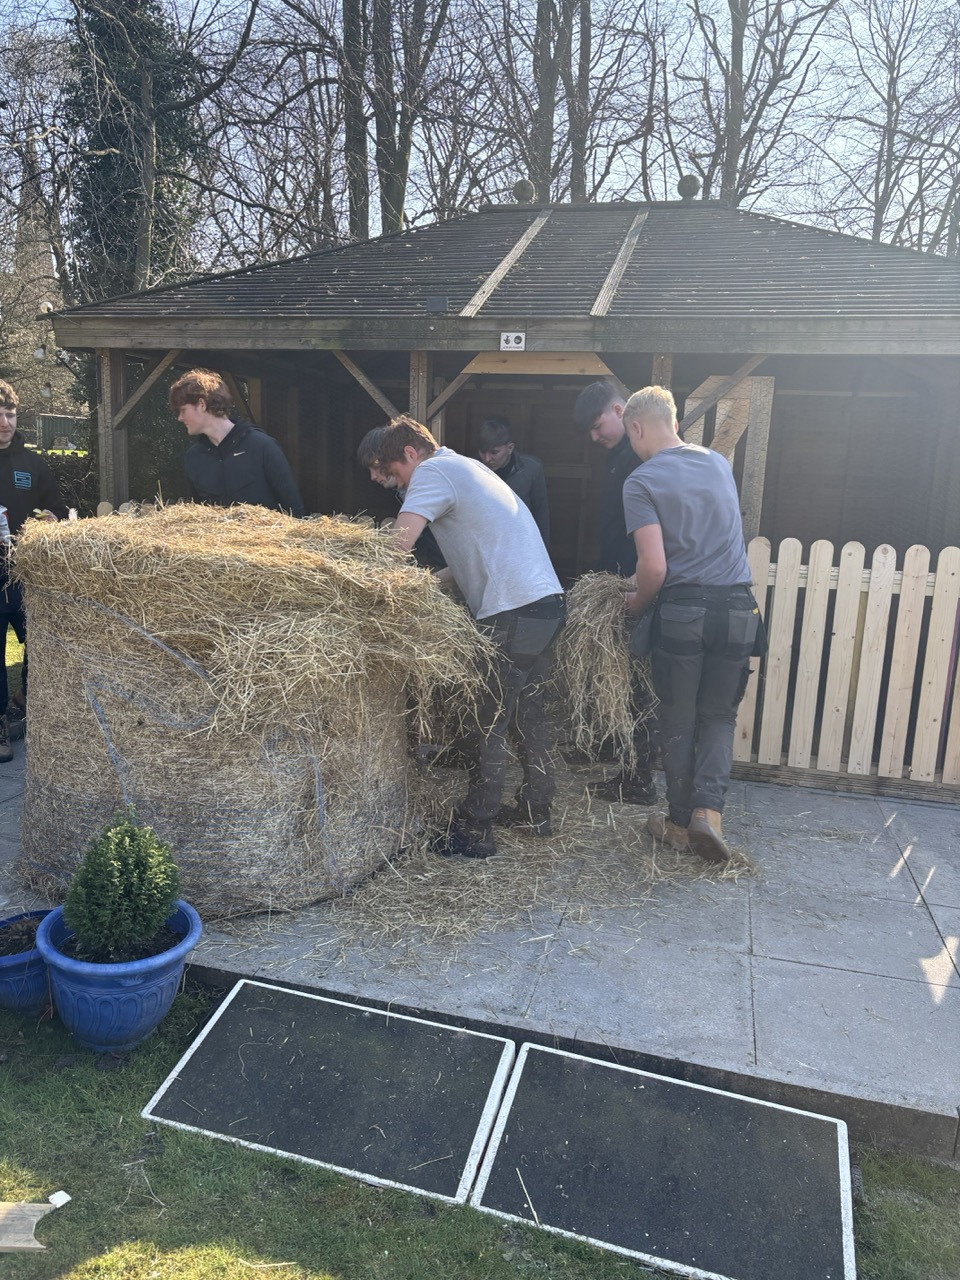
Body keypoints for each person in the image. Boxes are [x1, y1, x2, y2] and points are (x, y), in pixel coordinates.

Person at [370, 415, 565, 859]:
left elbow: (395, 550)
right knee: (525, 715)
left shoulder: (433, 472)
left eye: (395, 473)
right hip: (546, 605)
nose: (396, 485)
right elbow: (470, 558)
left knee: (487, 719)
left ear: (410, 454)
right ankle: (538, 811)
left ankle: (476, 828)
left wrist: (363, 584)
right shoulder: (467, 470)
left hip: (512, 612)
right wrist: (427, 588)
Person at [621, 385, 760, 863]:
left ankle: (680, 824)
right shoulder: (717, 463)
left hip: (684, 611)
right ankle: (710, 815)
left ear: (637, 427)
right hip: (739, 608)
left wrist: (633, 606)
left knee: (678, 717)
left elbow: (654, 569)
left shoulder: (641, 481)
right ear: (675, 421)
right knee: (719, 716)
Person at [573, 379, 658, 804]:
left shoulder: (641, 459)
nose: (594, 437)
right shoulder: (620, 457)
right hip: (620, 580)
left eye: (596, 425)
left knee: (638, 678)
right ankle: (615, 750)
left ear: (621, 411)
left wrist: (635, 585)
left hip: (636, 584)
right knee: (618, 674)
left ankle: (638, 777)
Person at [0, 380, 67, 763]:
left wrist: (52, 518)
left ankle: (26, 705)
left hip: (29, 577)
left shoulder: (33, 463)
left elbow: (54, 508)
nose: (5, 423)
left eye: (9, 414)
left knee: (40, 648)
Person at [169, 369, 305, 516]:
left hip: (267, 537)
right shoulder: (193, 458)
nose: (180, 418)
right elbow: (195, 517)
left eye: (183, 410)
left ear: (202, 404)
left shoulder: (262, 446)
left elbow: (295, 510)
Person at [356, 425, 446, 571]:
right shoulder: (448, 465)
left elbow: (396, 549)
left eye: (378, 466)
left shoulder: (429, 475)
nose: (373, 476)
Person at [476, 416, 550, 543]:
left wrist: (542, 552)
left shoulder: (532, 469)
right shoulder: (472, 469)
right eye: (483, 452)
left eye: (494, 452)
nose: (487, 458)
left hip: (520, 542)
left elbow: (540, 513)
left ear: (510, 448)